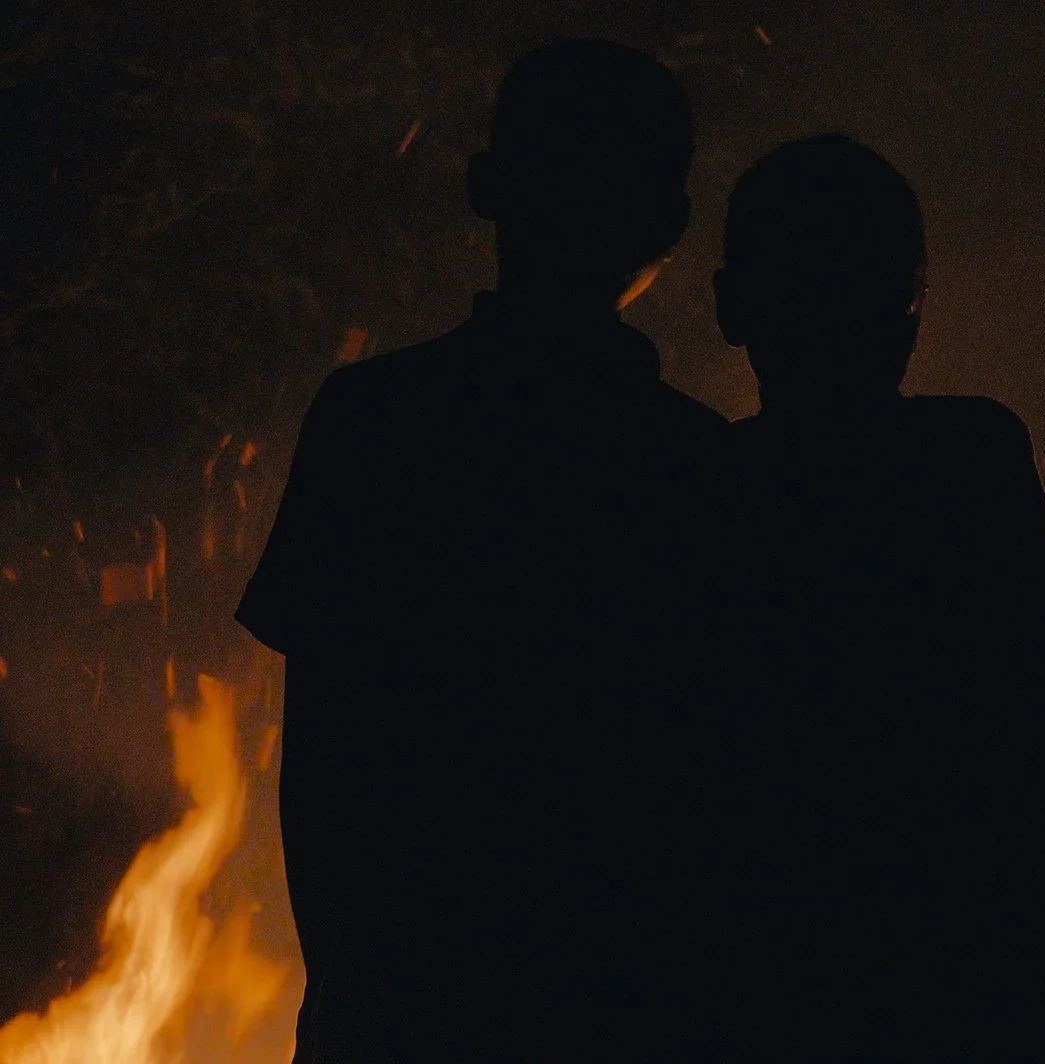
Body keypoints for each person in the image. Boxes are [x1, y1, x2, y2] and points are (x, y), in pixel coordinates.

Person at [237, 40, 732, 1062]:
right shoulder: (698, 466)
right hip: (625, 1011)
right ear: (672, 227)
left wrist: (352, 991)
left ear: (487, 185)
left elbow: (322, 757)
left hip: (403, 1008)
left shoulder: (372, 423)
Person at [708, 133, 1045, 1054]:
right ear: (913, 303)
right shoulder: (970, 456)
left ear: (733, 307)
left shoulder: (701, 481)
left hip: (764, 974)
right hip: (969, 962)